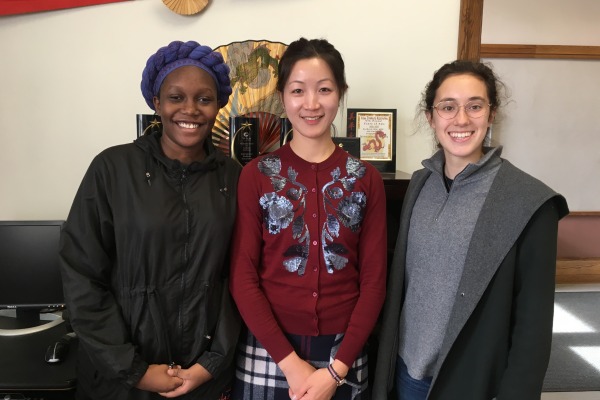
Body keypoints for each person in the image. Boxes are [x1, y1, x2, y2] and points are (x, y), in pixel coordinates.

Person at [372, 60, 569, 400]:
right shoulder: (421, 184)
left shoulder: (530, 202)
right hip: (405, 375)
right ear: (431, 117)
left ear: (491, 114)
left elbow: (532, 330)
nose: (461, 119)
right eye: (448, 107)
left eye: (474, 106)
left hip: (471, 383)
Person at [59, 40, 241, 400]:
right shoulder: (112, 169)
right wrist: (135, 371)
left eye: (204, 99)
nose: (190, 109)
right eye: (176, 97)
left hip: (202, 378)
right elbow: (82, 275)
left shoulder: (233, 178)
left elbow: (239, 277)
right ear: (156, 102)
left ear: (218, 105)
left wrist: (212, 363)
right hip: (119, 379)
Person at [229, 37, 387, 400]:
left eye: (325, 89)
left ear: (341, 93)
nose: (311, 104)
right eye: (298, 90)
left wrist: (337, 370)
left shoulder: (366, 179)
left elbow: (374, 282)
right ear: (282, 96)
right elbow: (242, 276)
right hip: (270, 348)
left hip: (344, 352)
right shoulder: (256, 174)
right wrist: (290, 363)